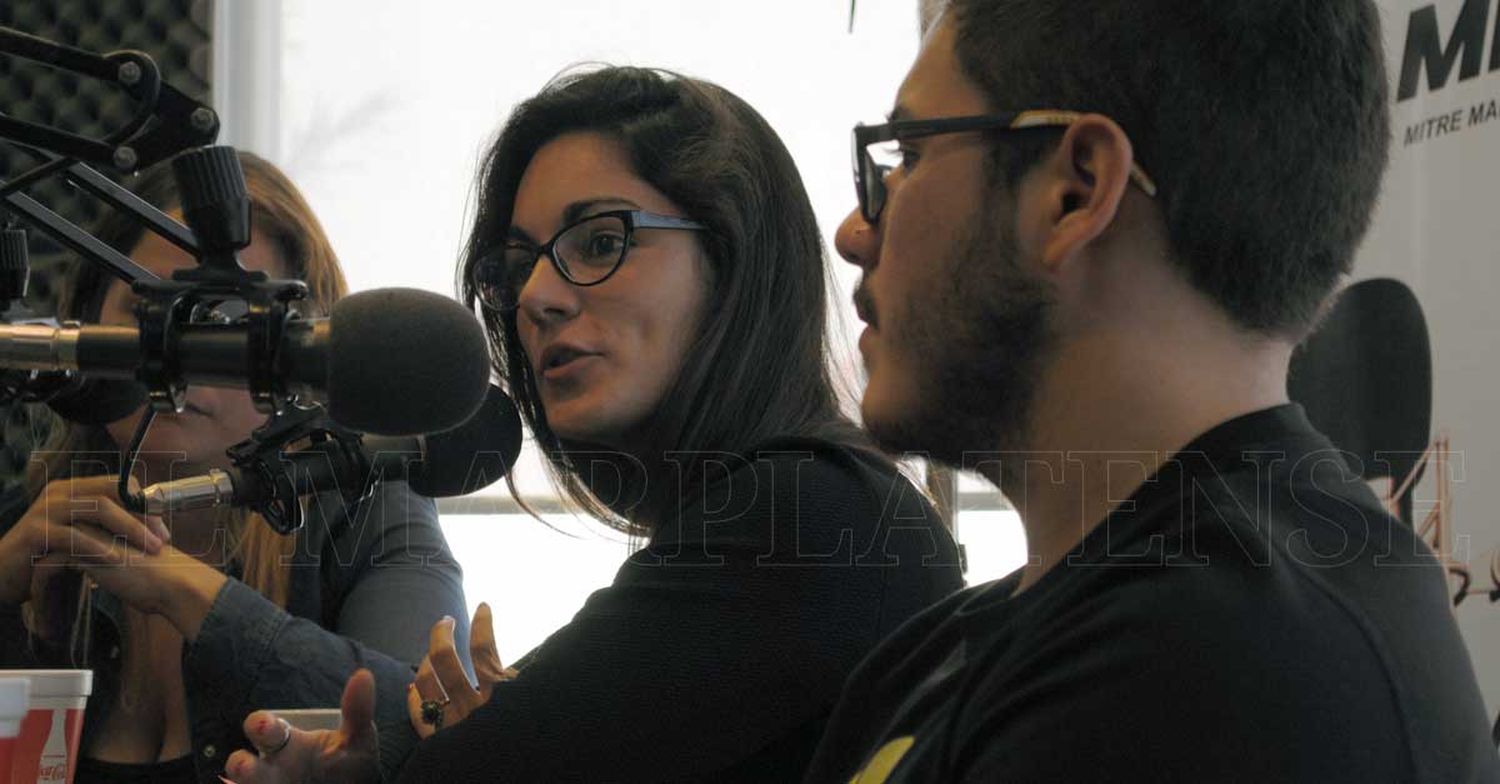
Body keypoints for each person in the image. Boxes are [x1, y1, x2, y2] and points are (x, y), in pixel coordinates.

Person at [804, 1, 1499, 781]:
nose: (855, 233)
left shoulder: (1217, 664)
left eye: (907, 154)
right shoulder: (978, 647)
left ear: (1074, 191)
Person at [225, 66, 963, 783]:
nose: (538, 296)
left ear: (732, 257)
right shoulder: (784, 515)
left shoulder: (814, 516)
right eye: (519, 266)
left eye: (600, 243)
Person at [0, 151, 469, 784]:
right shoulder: (22, 525)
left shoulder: (371, 511)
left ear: (307, 362)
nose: (178, 357)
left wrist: (181, 588)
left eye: (224, 324)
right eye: (148, 313)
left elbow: (435, 721)